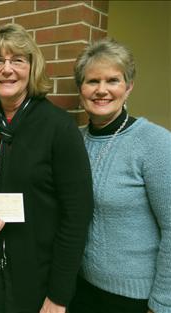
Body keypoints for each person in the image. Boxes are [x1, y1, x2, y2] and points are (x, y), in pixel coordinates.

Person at [0, 23, 94, 313]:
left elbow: (77, 215)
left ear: (32, 68)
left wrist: (59, 295)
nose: (7, 69)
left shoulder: (58, 127)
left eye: (17, 60)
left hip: (40, 281)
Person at [69, 38, 171, 313]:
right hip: (81, 290)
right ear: (81, 89)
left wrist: (162, 304)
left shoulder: (156, 143)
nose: (101, 90)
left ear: (128, 87)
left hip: (135, 300)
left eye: (112, 80)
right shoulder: (74, 141)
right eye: (92, 81)